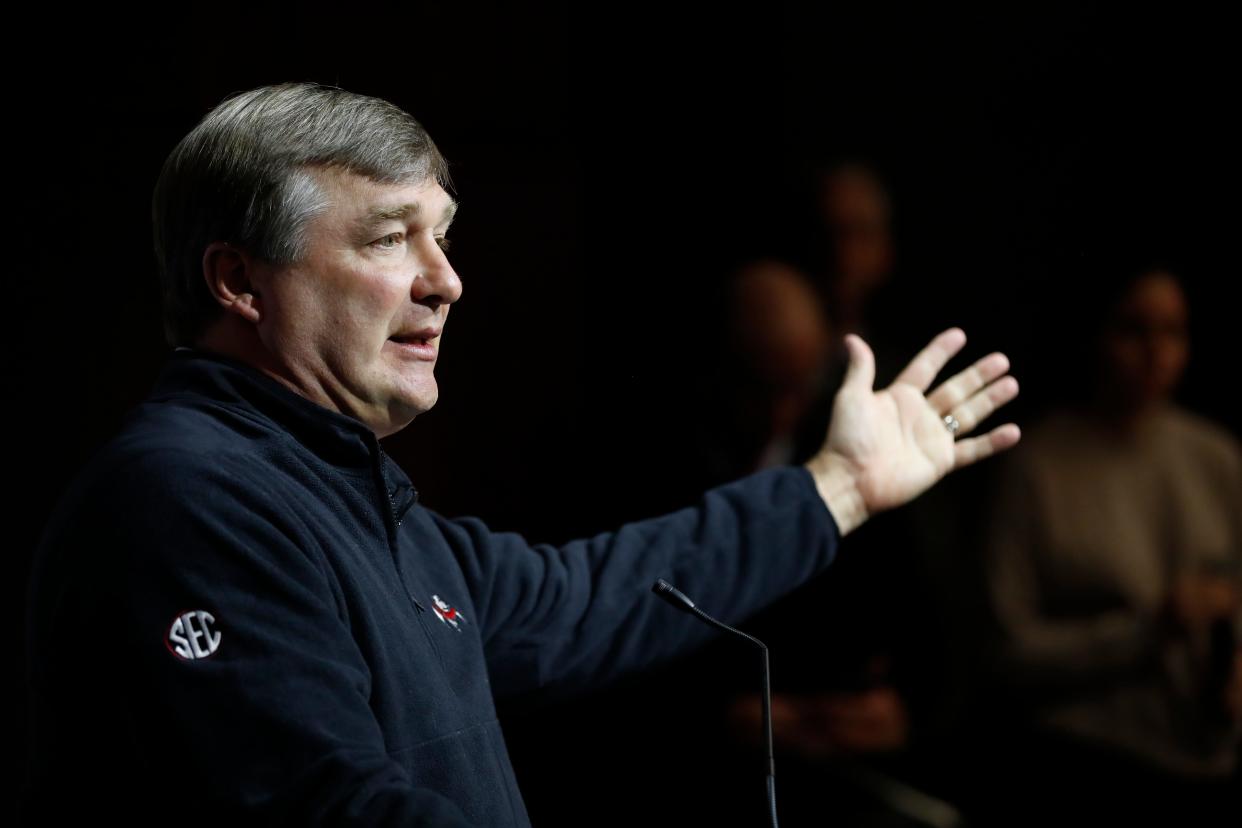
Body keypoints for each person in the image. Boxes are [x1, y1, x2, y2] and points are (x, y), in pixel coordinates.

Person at [21, 82, 1020, 826]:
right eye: (386, 239)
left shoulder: (346, 493)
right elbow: (324, 807)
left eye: (444, 237)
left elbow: (599, 594)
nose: (446, 281)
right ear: (239, 280)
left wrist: (837, 489)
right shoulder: (184, 501)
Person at [981, 263, 1242, 825]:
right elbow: (1006, 653)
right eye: (1133, 330)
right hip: (1087, 766)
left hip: (1209, 761)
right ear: (1093, 334)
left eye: (1173, 332)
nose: (1156, 353)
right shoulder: (1039, 467)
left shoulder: (1216, 459)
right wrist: (1148, 630)